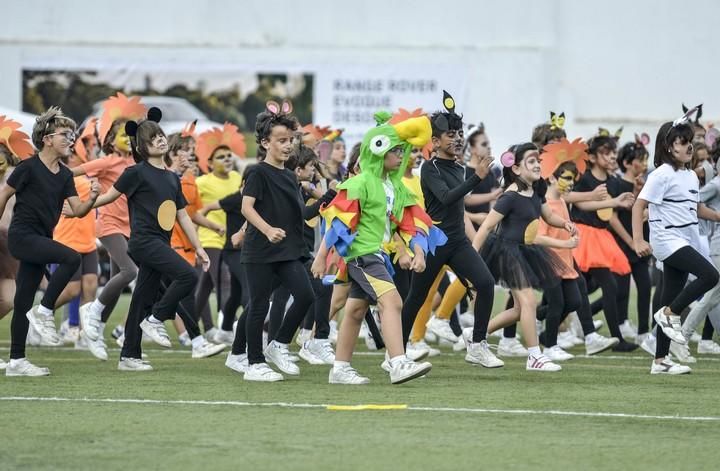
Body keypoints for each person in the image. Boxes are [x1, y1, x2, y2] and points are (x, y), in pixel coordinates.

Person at [312, 110, 442, 384]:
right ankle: (397, 362)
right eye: (395, 149)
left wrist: (416, 251)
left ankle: (340, 368)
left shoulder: (395, 186)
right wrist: (322, 256)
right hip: (363, 254)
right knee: (392, 302)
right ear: (378, 150)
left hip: (378, 254)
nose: (401, 153)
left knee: (356, 310)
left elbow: (411, 222)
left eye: (401, 149)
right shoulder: (359, 183)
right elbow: (338, 221)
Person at [90, 107, 211, 371]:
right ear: (141, 147)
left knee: (139, 300)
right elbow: (108, 198)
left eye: (159, 134)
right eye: (151, 138)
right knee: (187, 276)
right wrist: (83, 205)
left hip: (160, 243)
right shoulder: (135, 172)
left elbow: (183, 216)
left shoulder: (171, 178)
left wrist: (199, 247)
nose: (159, 139)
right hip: (144, 243)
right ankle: (155, 319)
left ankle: (128, 356)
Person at [400, 91, 500, 369]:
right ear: (434, 141)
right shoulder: (430, 168)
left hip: (457, 242)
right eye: (450, 134)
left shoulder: (457, 167)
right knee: (417, 298)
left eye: (459, 133)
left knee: (485, 283)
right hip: (434, 241)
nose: (457, 138)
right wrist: (476, 178)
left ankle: (477, 345)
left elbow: (461, 200)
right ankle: (396, 354)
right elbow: (446, 197)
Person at [0, 107, 101, 376]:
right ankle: (45, 311)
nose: (71, 139)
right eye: (65, 135)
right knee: (72, 257)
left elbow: (77, 210)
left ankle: (16, 362)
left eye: (72, 135)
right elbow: (4, 196)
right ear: (47, 138)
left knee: (22, 302)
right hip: (22, 237)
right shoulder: (27, 168)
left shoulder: (66, 174)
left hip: (42, 239)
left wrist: (91, 197)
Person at [632, 106, 720, 374]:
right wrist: (637, 240)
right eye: (683, 142)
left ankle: (659, 361)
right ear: (669, 147)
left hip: (686, 238)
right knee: (711, 276)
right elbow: (639, 206)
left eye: (691, 142)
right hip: (667, 239)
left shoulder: (691, 176)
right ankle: (670, 314)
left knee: (668, 297)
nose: (690, 147)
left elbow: (697, 209)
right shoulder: (660, 175)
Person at [472, 143, 572, 372]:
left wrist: (566, 224)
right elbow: (487, 227)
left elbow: (548, 216)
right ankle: (535, 356)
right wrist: (473, 257)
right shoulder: (511, 196)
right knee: (529, 302)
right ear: (516, 168)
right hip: (506, 252)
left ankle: (477, 334)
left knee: (520, 309)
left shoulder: (537, 191)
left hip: (524, 251)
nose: (537, 164)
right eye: (531, 161)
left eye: (538, 160)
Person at [234, 100, 315, 382]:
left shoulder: (290, 176)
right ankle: (254, 363)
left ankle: (278, 345)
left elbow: (299, 214)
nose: (288, 145)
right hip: (259, 250)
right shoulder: (257, 172)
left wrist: (328, 200)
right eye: (281, 140)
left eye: (291, 140)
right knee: (259, 305)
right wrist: (267, 230)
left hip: (287, 251)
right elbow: (247, 208)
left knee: (306, 295)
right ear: (266, 142)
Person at [536, 138, 619, 360]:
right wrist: (565, 243)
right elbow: (540, 237)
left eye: (573, 179)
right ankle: (550, 346)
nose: (570, 183)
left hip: (566, 259)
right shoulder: (544, 203)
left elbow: (563, 225)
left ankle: (536, 316)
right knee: (558, 302)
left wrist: (572, 231)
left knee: (574, 300)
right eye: (566, 178)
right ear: (552, 178)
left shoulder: (562, 201)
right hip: (550, 261)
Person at [74, 93, 147, 344]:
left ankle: (90, 334)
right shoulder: (107, 161)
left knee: (120, 281)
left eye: (131, 135)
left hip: (131, 229)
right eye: (123, 135)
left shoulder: (138, 163)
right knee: (130, 272)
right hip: (109, 225)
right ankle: (92, 312)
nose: (128, 139)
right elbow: (75, 171)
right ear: (111, 142)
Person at [570, 128, 638, 351]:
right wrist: (613, 202)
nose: (611, 157)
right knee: (594, 287)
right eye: (606, 153)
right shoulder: (584, 178)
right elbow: (581, 205)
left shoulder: (614, 182)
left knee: (600, 287)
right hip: (584, 236)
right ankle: (614, 338)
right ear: (592, 157)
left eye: (613, 153)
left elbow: (619, 208)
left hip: (601, 236)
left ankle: (544, 319)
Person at [194, 123, 246, 336]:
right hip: (210, 240)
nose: (227, 159)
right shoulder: (201, 182)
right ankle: (230, 325)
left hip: (234, 239)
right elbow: (196, 211)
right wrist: (200, 233)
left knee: (205, 287)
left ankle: (191, 328)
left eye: (228, 155)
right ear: (209, 163)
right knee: (223, 280)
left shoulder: (237, 178)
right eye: (220, 156)